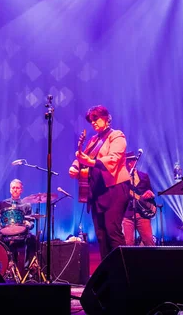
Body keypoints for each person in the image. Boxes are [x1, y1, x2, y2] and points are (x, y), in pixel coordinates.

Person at [68, 105, 131, 260]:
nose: (93, 123)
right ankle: (107, 274)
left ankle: (123, 272)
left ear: (106, 118)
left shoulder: (116, 135)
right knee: (101, 234)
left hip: (115, 188)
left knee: (112, 231)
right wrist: (75, 166)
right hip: (97, 192)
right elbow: (82, 158)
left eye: (96, 118)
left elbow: (113, 159)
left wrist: (89, 161)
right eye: (91, 120)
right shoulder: (93, 140)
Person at [0, 179, 36, 274]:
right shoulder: (2, 204)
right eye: (13, 188)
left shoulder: (27, 205)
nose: (15, 190)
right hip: (5, 233)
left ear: (21, 190)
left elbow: (31, 221)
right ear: (10, 190)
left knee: (33, 239)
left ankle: (28, 269)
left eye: (17, 188)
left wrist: (28, 224)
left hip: (22, 233)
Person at [122, 151, 156, 246]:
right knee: (128, 243)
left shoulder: (144, 176)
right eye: (127, 161)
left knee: (149, 241)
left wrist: (150, 194)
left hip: (142, 213)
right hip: (127, 214)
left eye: (131, 161)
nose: (129, 164)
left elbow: (151, 191)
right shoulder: (123, 178)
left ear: (134, 161)